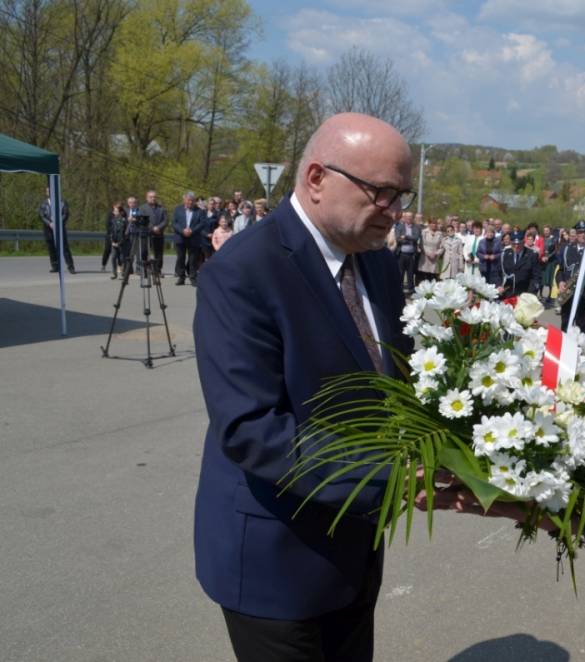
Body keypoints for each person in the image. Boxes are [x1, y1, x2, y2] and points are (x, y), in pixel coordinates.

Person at [192, 113, 414, 661]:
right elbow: (251, 429)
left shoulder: (378, 265)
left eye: (401, 196)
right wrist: (395, 476)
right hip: (275, 564)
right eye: (381, 193)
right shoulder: (244, 270)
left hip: (355, 549)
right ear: (317, 178)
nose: (393, 211)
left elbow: (397, 382)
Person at [38, 187, 75, 274]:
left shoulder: (62, 202)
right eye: (47, 191)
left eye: (51, 191)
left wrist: (58, 223)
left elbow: (66, 214)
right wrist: (49, 223)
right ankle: (55, 266)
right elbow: (41, 216)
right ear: (46, 193)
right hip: (48, 229)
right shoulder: (43, 204)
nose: (49, 192)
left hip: (60, 228)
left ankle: (71, 267)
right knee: (51, 248)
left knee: (64, 248)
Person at [171, 191, 205, 286]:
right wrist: (182, 231)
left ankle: (193, 277)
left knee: (193, 259)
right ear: (184, 200)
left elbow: (202, 223)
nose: (190, 202)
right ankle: (181, 277)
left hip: (194, 238)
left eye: (192, 200)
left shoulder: (200, 211)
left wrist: (192, 231)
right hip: (180, 237)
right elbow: (174, 223)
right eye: (189, 200)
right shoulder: (178, 209)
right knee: (180, 258)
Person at [140, 190, 168, 277]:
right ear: (147, 198)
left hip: (159, 234)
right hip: (147, 234)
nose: (153, 198)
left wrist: (158, 227)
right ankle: (145, 270)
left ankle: (157, 270)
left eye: (154, 197)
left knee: (158, 253)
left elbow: (165, 220)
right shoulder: (142, 208)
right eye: (151, 197)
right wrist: (152, 228)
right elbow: (142, 220)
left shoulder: (161, 208)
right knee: (144, 252)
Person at [418, 218, 443, 283]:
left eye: (435, 223)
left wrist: (436, 253)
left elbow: (442, 247)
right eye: (432, 223)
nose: (434, 225)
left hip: (435, 258)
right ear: (429, 224)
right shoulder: (424, 232)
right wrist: (428, 253)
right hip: (425, 257)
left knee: (433, 278)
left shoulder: (440, 234)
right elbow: (421, 244)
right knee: (424, 278)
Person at [108, 204, 128, 280]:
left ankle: (123, 274)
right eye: (114, 211)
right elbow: (111, 232)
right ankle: (114, 273)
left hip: (122, 243)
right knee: (113, 257)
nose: (114, 212)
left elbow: (124, 233)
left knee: (122, 258)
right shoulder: (112, 220)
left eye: (116, 211)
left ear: (120, 212)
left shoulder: (124, 221)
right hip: (114, 242)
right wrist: (112, 241)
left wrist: (119, 243)